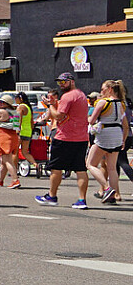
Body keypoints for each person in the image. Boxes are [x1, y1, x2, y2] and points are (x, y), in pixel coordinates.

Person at [36, 73, 91, 209]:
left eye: (64, 82)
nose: (61, 85)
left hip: (65, 137)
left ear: (72, 81)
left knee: (56, 168)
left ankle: (52, 196)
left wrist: (50, 105)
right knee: (80, 169)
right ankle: (82, 199)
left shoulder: (67, 96)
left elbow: (58, 116)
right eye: (59, 82)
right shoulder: (81, 95)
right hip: (81, 138)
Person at [86, 80, 128, 204]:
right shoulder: (121, 103)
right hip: (117, 134)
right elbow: (125, 126)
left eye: (103, 89)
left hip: (105, 134)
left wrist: (87, 117)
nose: (101, 92)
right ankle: (113, 195)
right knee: (112, 168)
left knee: (90, 164)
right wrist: (123, 140)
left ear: (110, 89)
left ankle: (106, 187)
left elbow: (91, 120)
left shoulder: (103, 102)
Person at [0, 94, 21, 189]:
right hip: (13, 136)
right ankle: (0, 180)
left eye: (2, 102)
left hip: (4, 136)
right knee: (4, 160)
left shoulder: (1, 112)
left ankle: (15, 180)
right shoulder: (15, 112)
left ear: (7, 104)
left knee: (7, 160)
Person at [15, 92, 40, 178]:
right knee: (25, 152)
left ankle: (14, 170)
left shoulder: (21, 107)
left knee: (15, 152)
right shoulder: (29, 108)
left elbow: (18, 119)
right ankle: (35, 164)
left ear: (20, 99)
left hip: (20, 131)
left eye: (16, 98)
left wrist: (16, 130)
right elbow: (31, 122)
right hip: (28, 131)